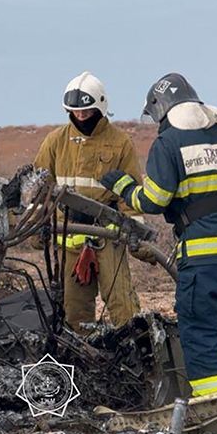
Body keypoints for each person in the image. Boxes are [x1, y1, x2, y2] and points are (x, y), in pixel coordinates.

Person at [101, 73, 217, 396]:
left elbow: (155, 199)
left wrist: (123, 186)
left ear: (161, 111)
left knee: (199, 328)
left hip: (204, 255)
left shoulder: (168, 143)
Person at [33, 71, 151, 333]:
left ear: (100, 106)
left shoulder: (120, 143)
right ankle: (85, 366)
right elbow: (40, 188)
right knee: (74, 316)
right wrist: (35, 227)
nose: (81, 117)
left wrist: (137, 238)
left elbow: (129, 195)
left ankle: (138, 360)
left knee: (124, 309)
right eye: (75, 112)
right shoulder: (55, 142)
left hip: (107, 239)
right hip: (68, 242)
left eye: (87, 111)